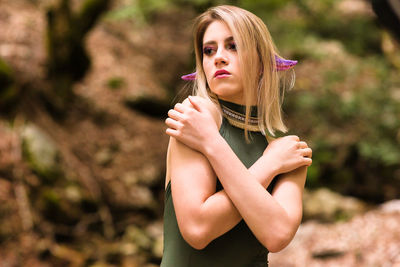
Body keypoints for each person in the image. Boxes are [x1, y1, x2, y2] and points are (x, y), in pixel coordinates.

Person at [161, 5, 312, 267]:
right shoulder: (197, 117)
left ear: (262, 61)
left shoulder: (288, 153)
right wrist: (268, 165)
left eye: (233, 46)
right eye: (209, 50)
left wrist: (212, 144)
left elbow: (276, 235)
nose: (218, 57)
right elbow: (198, 229)